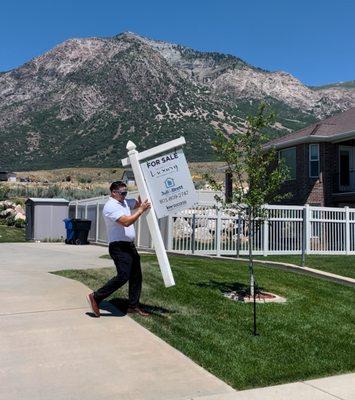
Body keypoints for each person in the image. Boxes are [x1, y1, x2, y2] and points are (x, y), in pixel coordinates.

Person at [86, 181, 151, 317]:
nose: (124, 195)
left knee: (136, 276)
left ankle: (133, 306)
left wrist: (143, 191)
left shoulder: (124, 202)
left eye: (126, 192)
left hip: (129, 246)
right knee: (123, 276)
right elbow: (126, 222)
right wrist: (140, 210)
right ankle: (96, 297)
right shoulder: (110, 207)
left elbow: (139, 203)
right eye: (122, 193)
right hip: (118, 247)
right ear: (113, 192)